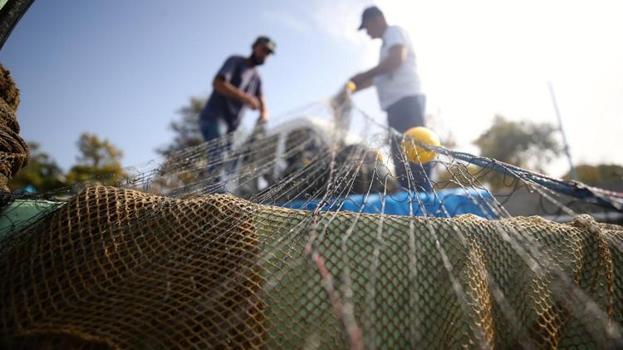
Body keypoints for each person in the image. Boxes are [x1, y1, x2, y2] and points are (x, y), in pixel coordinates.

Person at [348, 6, 432, 191]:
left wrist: (362, 75)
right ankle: (409, 200)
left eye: (367, 27)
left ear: (377, 19)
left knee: (415, 154)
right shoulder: (384, 45)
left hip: (407, 103)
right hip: (395, 108)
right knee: (400, 158)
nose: (367, 33)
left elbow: (396, 61)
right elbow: (377, 78)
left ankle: (424, 203)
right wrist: (353, 88)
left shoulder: (394, 32)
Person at [198, 36, 275, 189]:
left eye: (268, 53)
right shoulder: (236, 61)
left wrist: (264, 117)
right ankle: (214, 203)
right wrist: (246, 98)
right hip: (215, 118)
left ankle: (221, 198)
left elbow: (262, 102)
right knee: (219, 160)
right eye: (263, 50)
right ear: (254, 47)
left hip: (232, 128)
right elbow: (218, 83)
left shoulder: (257, 78)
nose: (265, 55)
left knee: (232, 165)